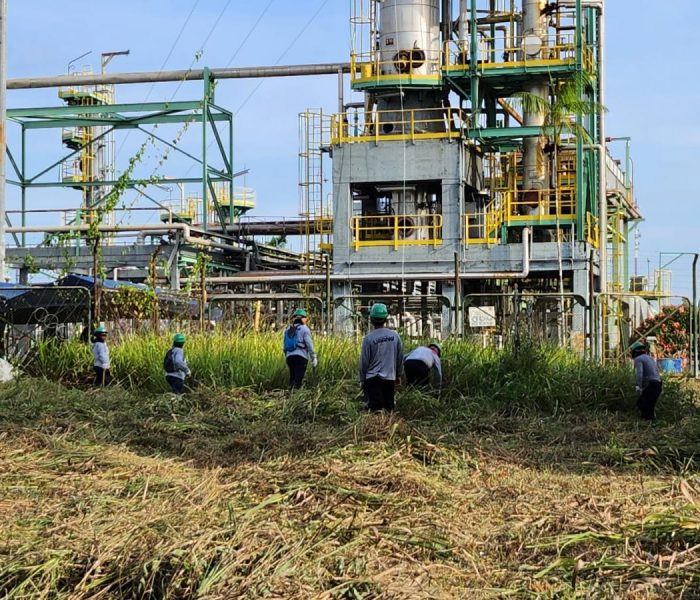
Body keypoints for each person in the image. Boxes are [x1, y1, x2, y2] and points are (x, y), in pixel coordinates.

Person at [359, 303, 403, 412]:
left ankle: (375, 429)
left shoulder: (368, 339)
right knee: (389, 408)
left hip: (372, 378)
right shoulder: (395, 336)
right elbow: (399, 358)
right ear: (386, 319)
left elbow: (364, 362)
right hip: (389, 377)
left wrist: (362, 379)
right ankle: (389, 428)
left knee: (375, 409)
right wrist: (398, 374)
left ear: (371, 319)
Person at [283, 308, 317, 389]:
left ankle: (289, 394)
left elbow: (284, 346)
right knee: (298, 379)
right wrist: (313, 357)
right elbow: (309, 344)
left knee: (292, 377)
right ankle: (295, 396)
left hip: (289, 357)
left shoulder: (288, 329)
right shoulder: (304, 329)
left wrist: (287, 356)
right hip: (301, 357)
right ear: (303, 319)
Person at [631, 341, 662, 421]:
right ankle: (652, 423)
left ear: (635, 351)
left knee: (642, 403)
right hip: (658, 384)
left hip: (652, 385)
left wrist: (638, 386)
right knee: (650, 405)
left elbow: (640, 373)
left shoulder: (638, 359)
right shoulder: (649, 358)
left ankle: (646, 422)